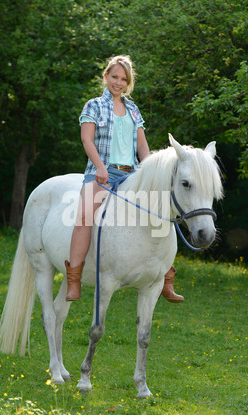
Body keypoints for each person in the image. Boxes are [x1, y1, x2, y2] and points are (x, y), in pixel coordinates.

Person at [65, 55, 184, 304]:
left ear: (128, 83)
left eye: (123, 79)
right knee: (85, 216)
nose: (118, 83)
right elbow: (87, 140)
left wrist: (151, 171)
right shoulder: (93, 106)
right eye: (114, 77)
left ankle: (166, 277)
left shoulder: (132, 109)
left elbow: (142, 145)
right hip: (101, 172)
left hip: (130, 173)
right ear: (106, 76)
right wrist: (99, 167)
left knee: (162, 209)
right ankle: (73, 279)